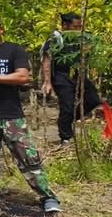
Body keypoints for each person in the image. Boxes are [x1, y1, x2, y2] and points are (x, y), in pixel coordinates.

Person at [0, 13, 61, 213]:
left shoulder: (14, 50)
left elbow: (23, 77)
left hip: (10, 115)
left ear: (0, 29)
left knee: (27, 156)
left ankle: (47, 196)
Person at [41, 12, 102, 144]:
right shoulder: (55, 39)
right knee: (67, 106)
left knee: (93, 99)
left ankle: (67, 120)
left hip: (78, 76)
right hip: (61, 77)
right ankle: (66, 137)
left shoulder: (82, 38)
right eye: (75, 27)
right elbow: (47, 60)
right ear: (65, 25)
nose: (78, 30)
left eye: (80, 27)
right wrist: (47, 82)